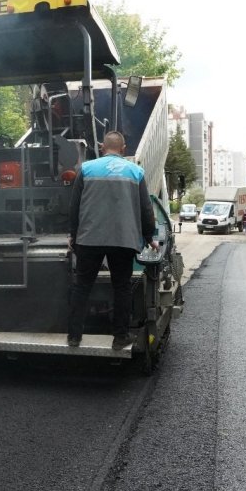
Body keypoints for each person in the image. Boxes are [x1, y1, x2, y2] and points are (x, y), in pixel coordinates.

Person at [67, 131, 158, 351]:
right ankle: (120, 338)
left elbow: (75, 206)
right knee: (121, 288)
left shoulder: (86, 169)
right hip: (123, 240)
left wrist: (73, 234)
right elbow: (146, 208)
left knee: (82, 287)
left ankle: (74, 337)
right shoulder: (136, 172)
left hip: (90, 238)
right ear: (124, 148)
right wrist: (150, 237)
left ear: (101, 147)